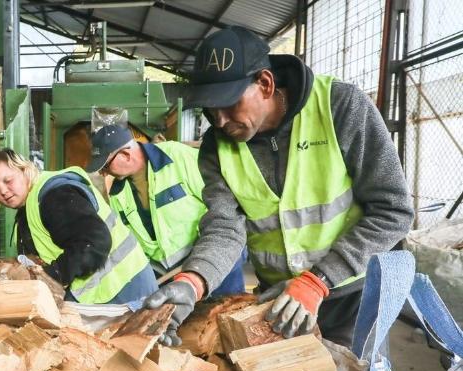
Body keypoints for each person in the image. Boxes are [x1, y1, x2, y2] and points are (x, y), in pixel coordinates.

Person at [143, 26, 413, 347]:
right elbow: (225, 229)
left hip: (352, 297)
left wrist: (319, 280)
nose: (219, 121)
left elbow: (392, 211)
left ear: (265, 84)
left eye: (228, 104)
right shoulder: (217, 146)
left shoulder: (339, 106)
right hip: (280, 302)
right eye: (209, 110)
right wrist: (193, 281)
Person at [0, 148, 157, 305]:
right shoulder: (28, 209)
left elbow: (94, 241)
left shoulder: (54, 196)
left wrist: (52, 275)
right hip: (106, 294)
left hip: (125, 291)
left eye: (8, 181)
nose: (3, 191)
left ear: (25, 171)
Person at [88, 124, 245, 297]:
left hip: (213, 268)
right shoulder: (118, 192)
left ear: (125, 155)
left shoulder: (179, 158)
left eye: (106, 166)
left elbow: (228, 208)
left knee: (226, 316)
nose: (104, 173)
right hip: (170, 278)